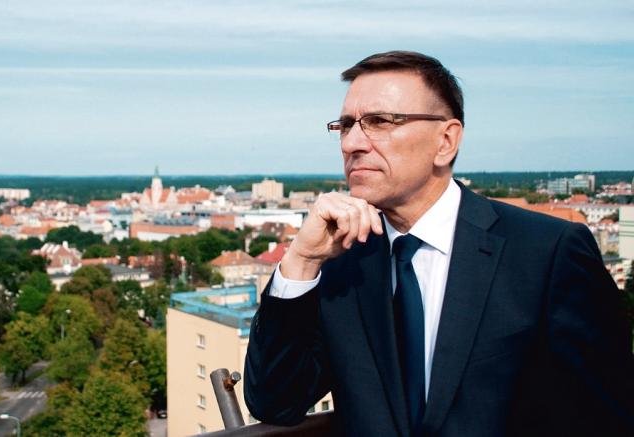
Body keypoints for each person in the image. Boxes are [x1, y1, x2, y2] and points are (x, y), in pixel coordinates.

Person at [244, 51, 634, 436]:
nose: (351, 144)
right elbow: (276, 401)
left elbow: (608, 415)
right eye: (345, 126)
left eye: (379, 121)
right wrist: (301, 260)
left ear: (446, 141)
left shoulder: (546, 252)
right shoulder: (342, 261)